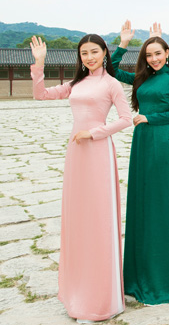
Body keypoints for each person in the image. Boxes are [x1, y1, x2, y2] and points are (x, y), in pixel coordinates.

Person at [30, 35, 131, 322]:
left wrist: (95, 132)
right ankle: (78, 290)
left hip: (98, 152)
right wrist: (39, 64)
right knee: (78, 218)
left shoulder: (111, 83)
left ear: (104, 53)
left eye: (94, 52)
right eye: (84, 53)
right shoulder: (76, 84)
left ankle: (101, 297)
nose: (89, 57)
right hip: (76, 154)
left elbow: (125, 119)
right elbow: (40, 95)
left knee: (98, 217)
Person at [111, 22, 169, 304]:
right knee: (142, 200)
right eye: (149, 55)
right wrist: (123, 43)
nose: (154, 59)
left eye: (158, 53)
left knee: (160, 200)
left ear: (167, 53)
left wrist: (151, 118)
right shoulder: (141, 78)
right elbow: (111, 69)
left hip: (159, 139)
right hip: (141, 140)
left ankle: (164, 273)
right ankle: (139, 273)